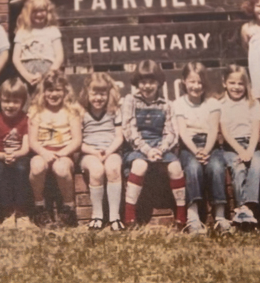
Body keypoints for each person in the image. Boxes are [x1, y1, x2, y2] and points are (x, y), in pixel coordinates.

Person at [121, 60, 186, 229]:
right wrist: (147, 150)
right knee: (140, 165)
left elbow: (172, 133)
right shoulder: (130, 101)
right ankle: (129, 217)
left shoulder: (166, 105)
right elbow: (129, 129)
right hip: (138, 147)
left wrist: (161, 149)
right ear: (137, 83)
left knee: (175, 168)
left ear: (159, 82)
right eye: (143, 82)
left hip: (160, 147)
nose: (147, 86)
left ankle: (181, 216)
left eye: (151, 82)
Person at [210, 65, 260, 232]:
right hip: (231, 147)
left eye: (240, 83)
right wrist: (240, 151)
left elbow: (255, 130)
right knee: (238, 166)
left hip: (251, 144)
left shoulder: (253, 103)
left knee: (256, 164)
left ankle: (247, 208)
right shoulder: (221, 104)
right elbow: (225, 132)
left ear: (246, 84)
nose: (236, 87)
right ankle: (241, 209)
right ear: (224, 83)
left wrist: (249, 150)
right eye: (232, 82)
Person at [173, 63, 225, 235]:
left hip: (210, 145)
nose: (196, 86)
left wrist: (206, 150)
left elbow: (213, 130)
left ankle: (220, 217)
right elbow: (182, 132)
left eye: (200, 82)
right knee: (193, 167)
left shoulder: (213, 103)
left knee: (216, 167)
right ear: (183, 82)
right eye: (192, 82)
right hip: (190, 146)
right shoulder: (178, 104)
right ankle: (193, 216)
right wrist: (196, 152)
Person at [28, 70, 83, 227]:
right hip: (42, 151)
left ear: (65, 91)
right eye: (49, 90)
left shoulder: (71, 110)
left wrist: (62, 153)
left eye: (58, 90)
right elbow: (32, 141)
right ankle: (39, 207)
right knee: (37, 166)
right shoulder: (36, 110)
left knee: (61, 168)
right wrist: (44, 153)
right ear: (43, 92)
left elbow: (77, 140)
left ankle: (69, 208)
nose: (53, 94)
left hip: (64, 152)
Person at [79, 73, 125, 231]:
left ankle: (114, 217)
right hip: (89, 153)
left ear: (108, 94)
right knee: (97, 170)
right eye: (94, 93)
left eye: (102, 93)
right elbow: (78, 142)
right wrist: (94, 152)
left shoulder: (114, 110)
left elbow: (119, 137)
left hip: (111, 150)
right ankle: (97, 215)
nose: (98, 98)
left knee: (113, 168)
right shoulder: (81, 112)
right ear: (87, 93)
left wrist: (108, 151)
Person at [0, 78, 33, 229]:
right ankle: (7, 212)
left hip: (20, 157)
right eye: (6, 101)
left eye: (15, 101)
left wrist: (16, 155)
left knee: (21, 169)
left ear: (23, 102)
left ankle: (21, 212)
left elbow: (26, 148)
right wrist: (4, 156)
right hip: (0, 157)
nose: (10, 105)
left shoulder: (26, 120)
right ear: (0, 99)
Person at [12, 0, 64, 88]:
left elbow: (59, 56)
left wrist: (51, 72)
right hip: (27, 69)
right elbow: (15, 58)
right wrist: (27, 76)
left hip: (48, 69)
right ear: (28, 12)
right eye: (35, 11)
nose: (39, 14)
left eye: (42, 10)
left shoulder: (52, 30)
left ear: (48, 11)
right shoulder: (22, 31)